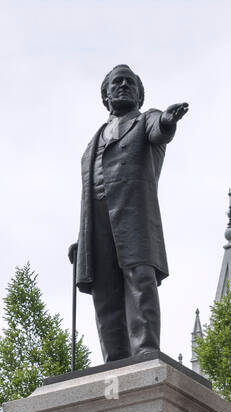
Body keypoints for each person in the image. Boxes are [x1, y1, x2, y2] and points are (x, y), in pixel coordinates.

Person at [72, 65, 188, 361]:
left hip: (133, 217)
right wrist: (81, 239)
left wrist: (167, 121)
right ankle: (116, 358)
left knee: (139, 279)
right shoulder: (92, 142)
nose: (123, 85)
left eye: (129, 82)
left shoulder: (144, 121)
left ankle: (146, 348)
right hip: (97, 225)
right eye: (116, 82)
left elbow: (159, 129)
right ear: (105, 95)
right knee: (104, 289)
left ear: (139, 94)